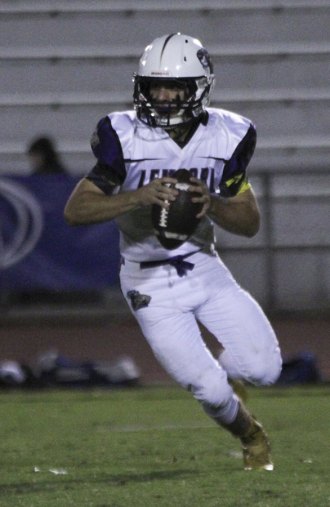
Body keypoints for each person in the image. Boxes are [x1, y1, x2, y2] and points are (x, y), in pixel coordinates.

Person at [64, 33, 282, 470]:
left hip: (205, 268)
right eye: (153, 87)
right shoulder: (120, 136)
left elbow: (250, 222)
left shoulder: (230, 134)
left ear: (198, 88)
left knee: (265, 370)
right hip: (148, 282)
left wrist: (213, 204)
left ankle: (234, 378)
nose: (162, 97)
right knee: (207, 388)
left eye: (174, 88)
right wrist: (136, 197)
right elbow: (76, 210)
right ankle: (251, 434)